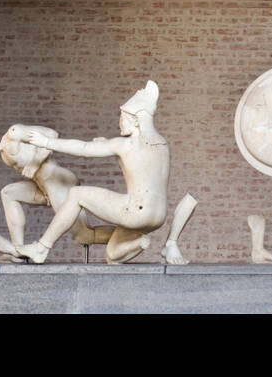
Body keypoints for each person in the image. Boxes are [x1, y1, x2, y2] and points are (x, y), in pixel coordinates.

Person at [17, 80, 195, 263]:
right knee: (112, 256)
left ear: (136, 121)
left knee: (77, 194)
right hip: (157, 217)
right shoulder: (163, 144)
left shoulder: (124, 145)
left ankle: (41, 247)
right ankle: (140, 241)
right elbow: (141, 165)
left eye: (123, 117)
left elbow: (84, 148)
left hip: (135, 212)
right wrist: (107, 145)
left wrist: (46, 143)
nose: (120, 122)